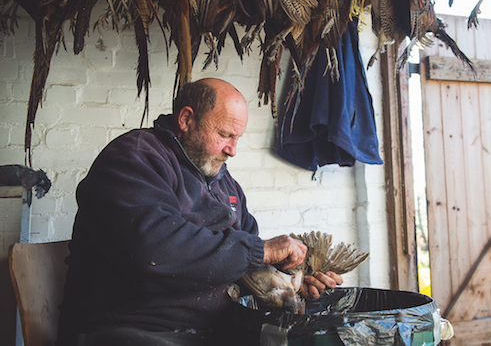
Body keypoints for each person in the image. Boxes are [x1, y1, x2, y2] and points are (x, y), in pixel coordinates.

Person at [56, 78, 343, 346]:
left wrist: (287, 281)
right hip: (133, 329)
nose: (232, 150)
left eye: (237, 138)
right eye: (224, 134)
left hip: (211, 329)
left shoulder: (223, 182)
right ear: (186, 119)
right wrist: (262, 252)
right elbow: (155, 253)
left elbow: (246, 258)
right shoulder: (135, 159)